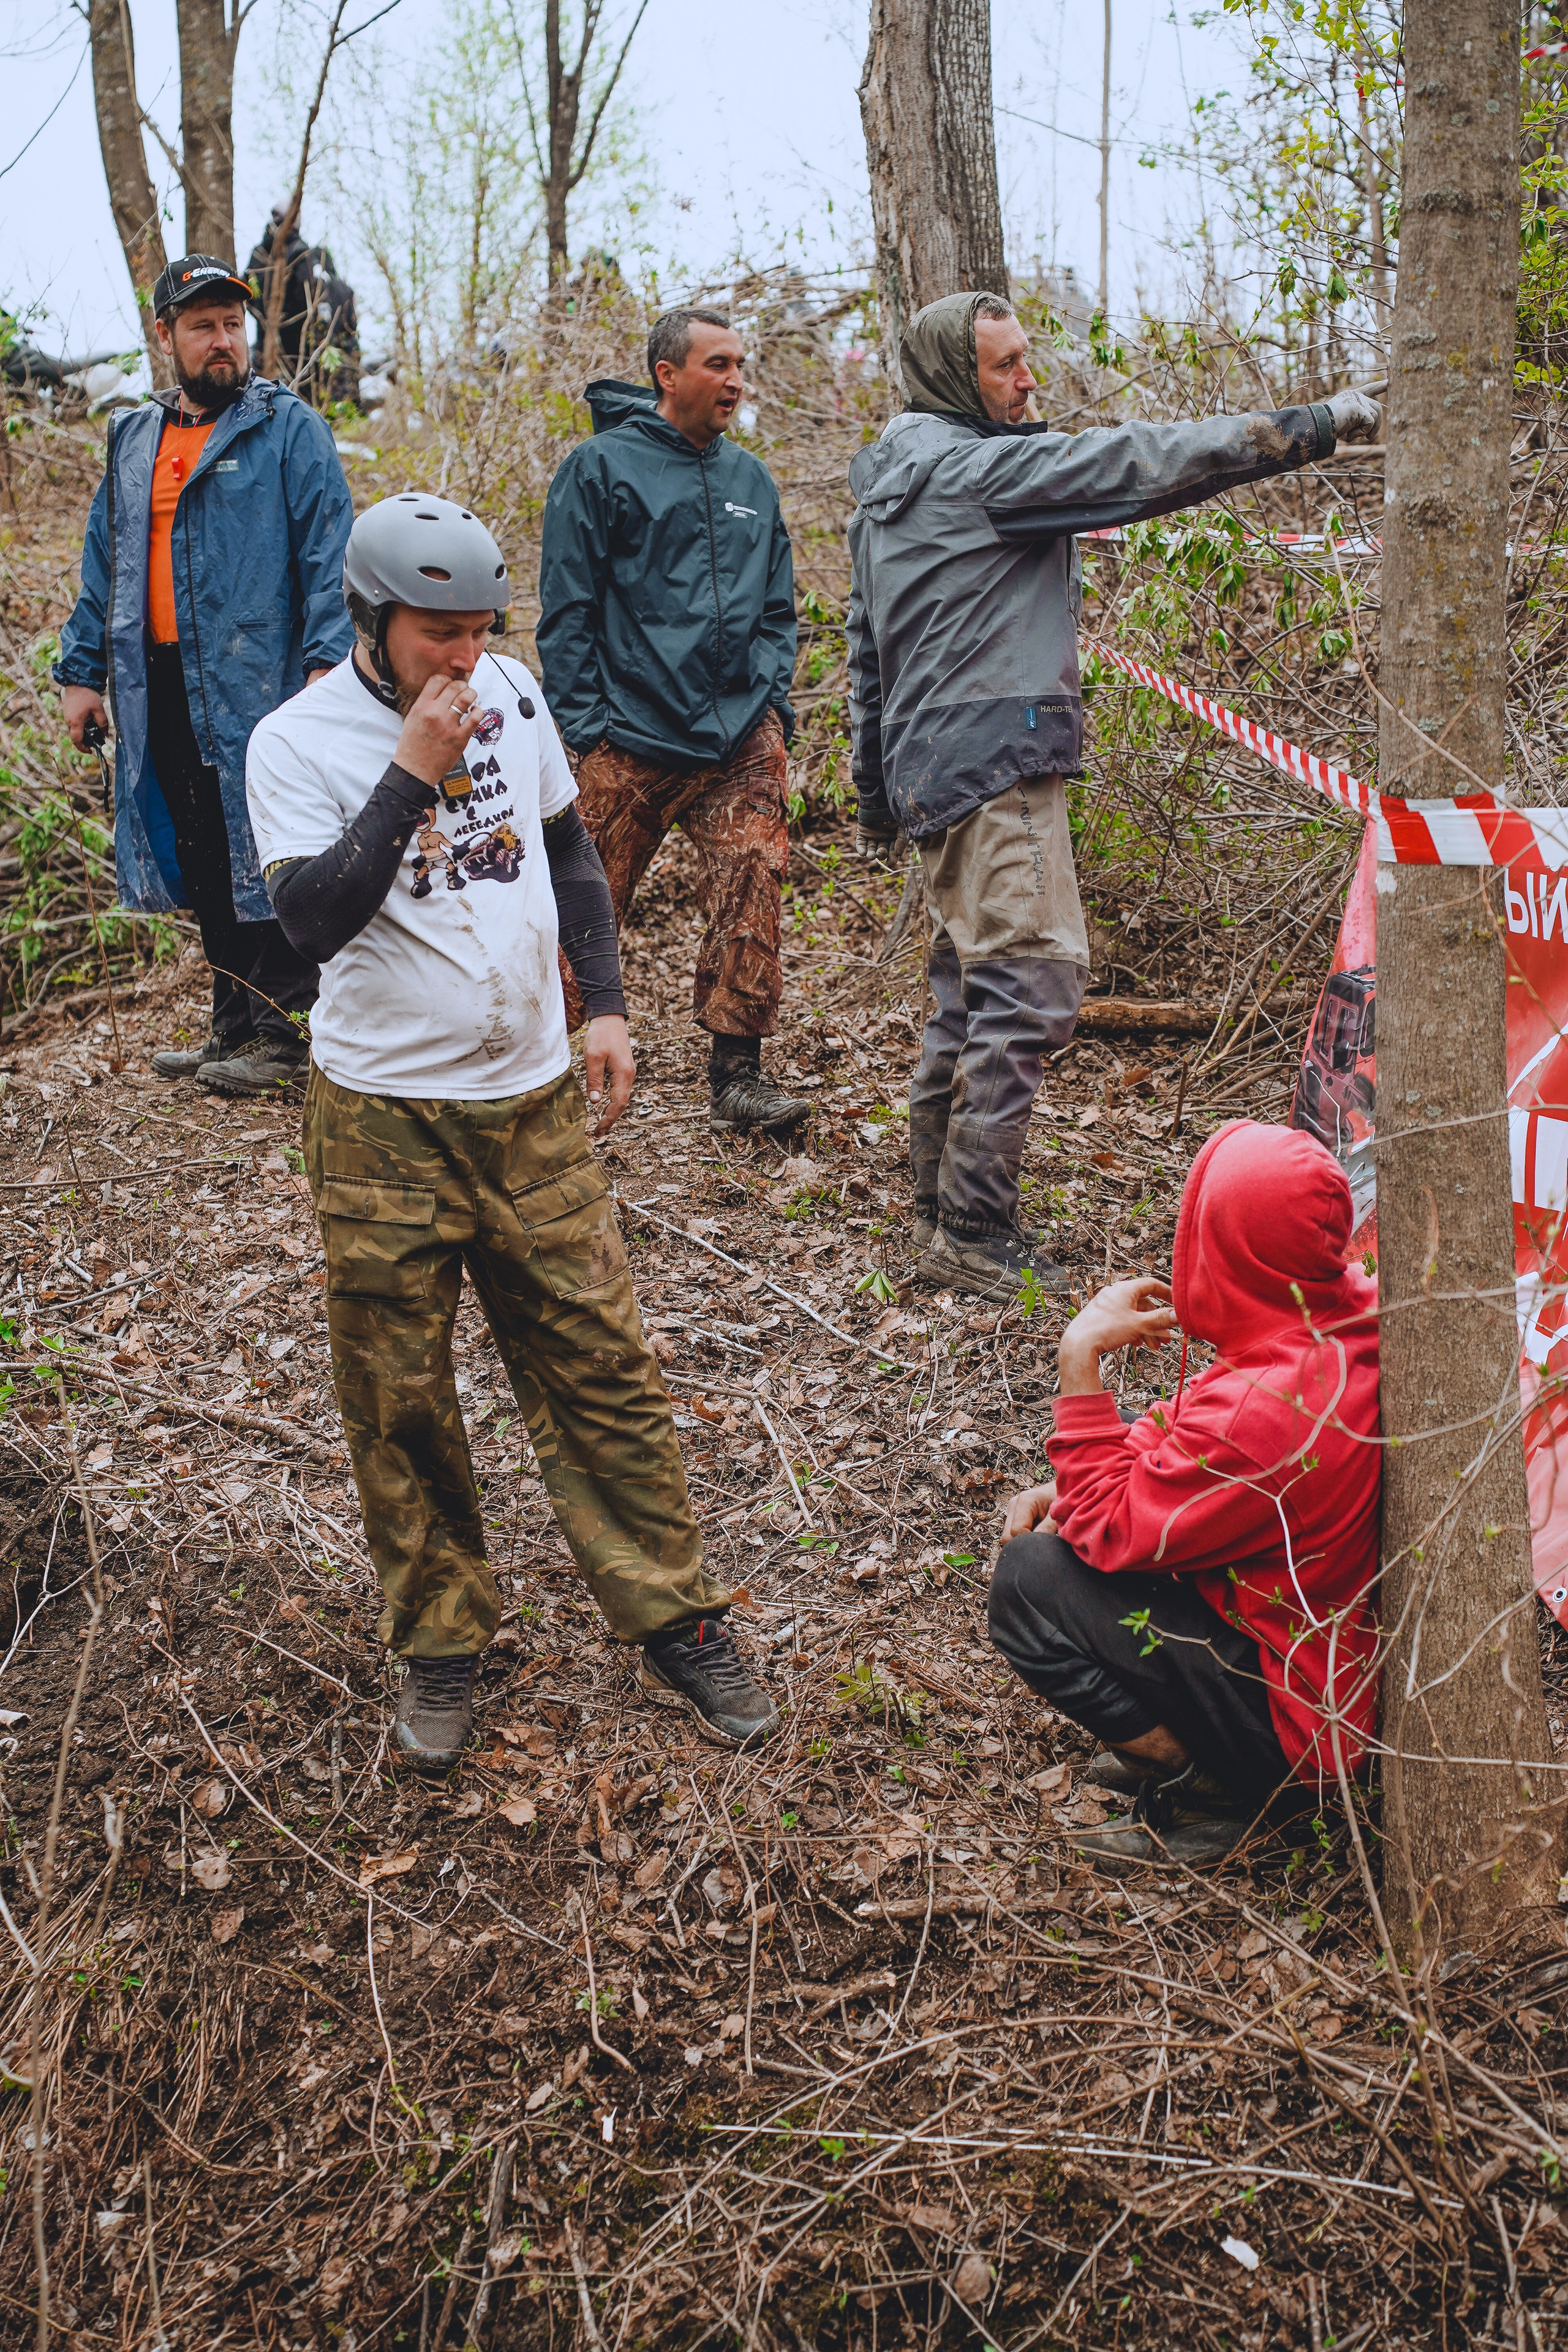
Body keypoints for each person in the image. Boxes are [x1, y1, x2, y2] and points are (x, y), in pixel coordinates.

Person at [246, 492, 779, 1770]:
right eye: (439, 634)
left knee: (600, 1362)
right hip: (383, 1118)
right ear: (372, 623)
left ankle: (677, 1619)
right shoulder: (295, 741)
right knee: (399, 1390)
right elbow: (309, 924)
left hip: (529, 1101)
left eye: (482, 630)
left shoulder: (520, 698)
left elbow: (568, 856)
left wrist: (604, 1005)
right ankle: (439, 1645)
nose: (464, 659)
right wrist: (408, 775)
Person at [846, 291, 1383, 1301]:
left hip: (937, 768)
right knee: (1035, 981)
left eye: (1024, 359)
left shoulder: (890, 487)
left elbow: (864, 658)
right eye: (1005, 367)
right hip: (993, 765)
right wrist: (1308, 429)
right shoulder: (979, 471)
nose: (1027, 380)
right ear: (959, 380)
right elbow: (1139, 465)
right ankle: (969, 1226)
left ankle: (936, 1206)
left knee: (972, 988)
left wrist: (878, 790)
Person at [987, 1120, 1381, 1872]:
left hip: (1297, 1729)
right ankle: (1208, 1760)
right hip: (1303, 1648)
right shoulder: (1329, 1311)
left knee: (1029, 1586)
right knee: (1116, 1455)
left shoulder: (1260, 1415)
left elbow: (1109, 1526)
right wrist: (1074, 1485)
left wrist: (1079, 1358)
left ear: (1231, 1249)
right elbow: (1182, 1429)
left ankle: (1227, 1798)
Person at [55, 253, 354, 1096]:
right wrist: (81, 675)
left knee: (269, 849)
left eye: (233, 324)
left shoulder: (286, 428)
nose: (224, 342)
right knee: (201, 852)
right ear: (165, 336)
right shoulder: (133, 437)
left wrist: (328, 671)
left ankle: (290, 1036)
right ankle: (234, 1027)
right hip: (156, 685)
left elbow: (332, 557)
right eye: (203, 327)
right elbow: (103, 565)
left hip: (261, 684)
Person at [537, 307, 810, 1136]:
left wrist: (772, 708)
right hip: (628, 737)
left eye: (740, 365)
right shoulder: (599, 469)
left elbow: (777, 606)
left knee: (754, 879)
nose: (736, 380)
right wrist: (586, 728)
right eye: (718, 364)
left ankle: (738, 1074)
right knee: (577, 905)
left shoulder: (751, 481)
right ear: (667, 374)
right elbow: (567, 608)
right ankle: (533, 1067)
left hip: (736, 739)